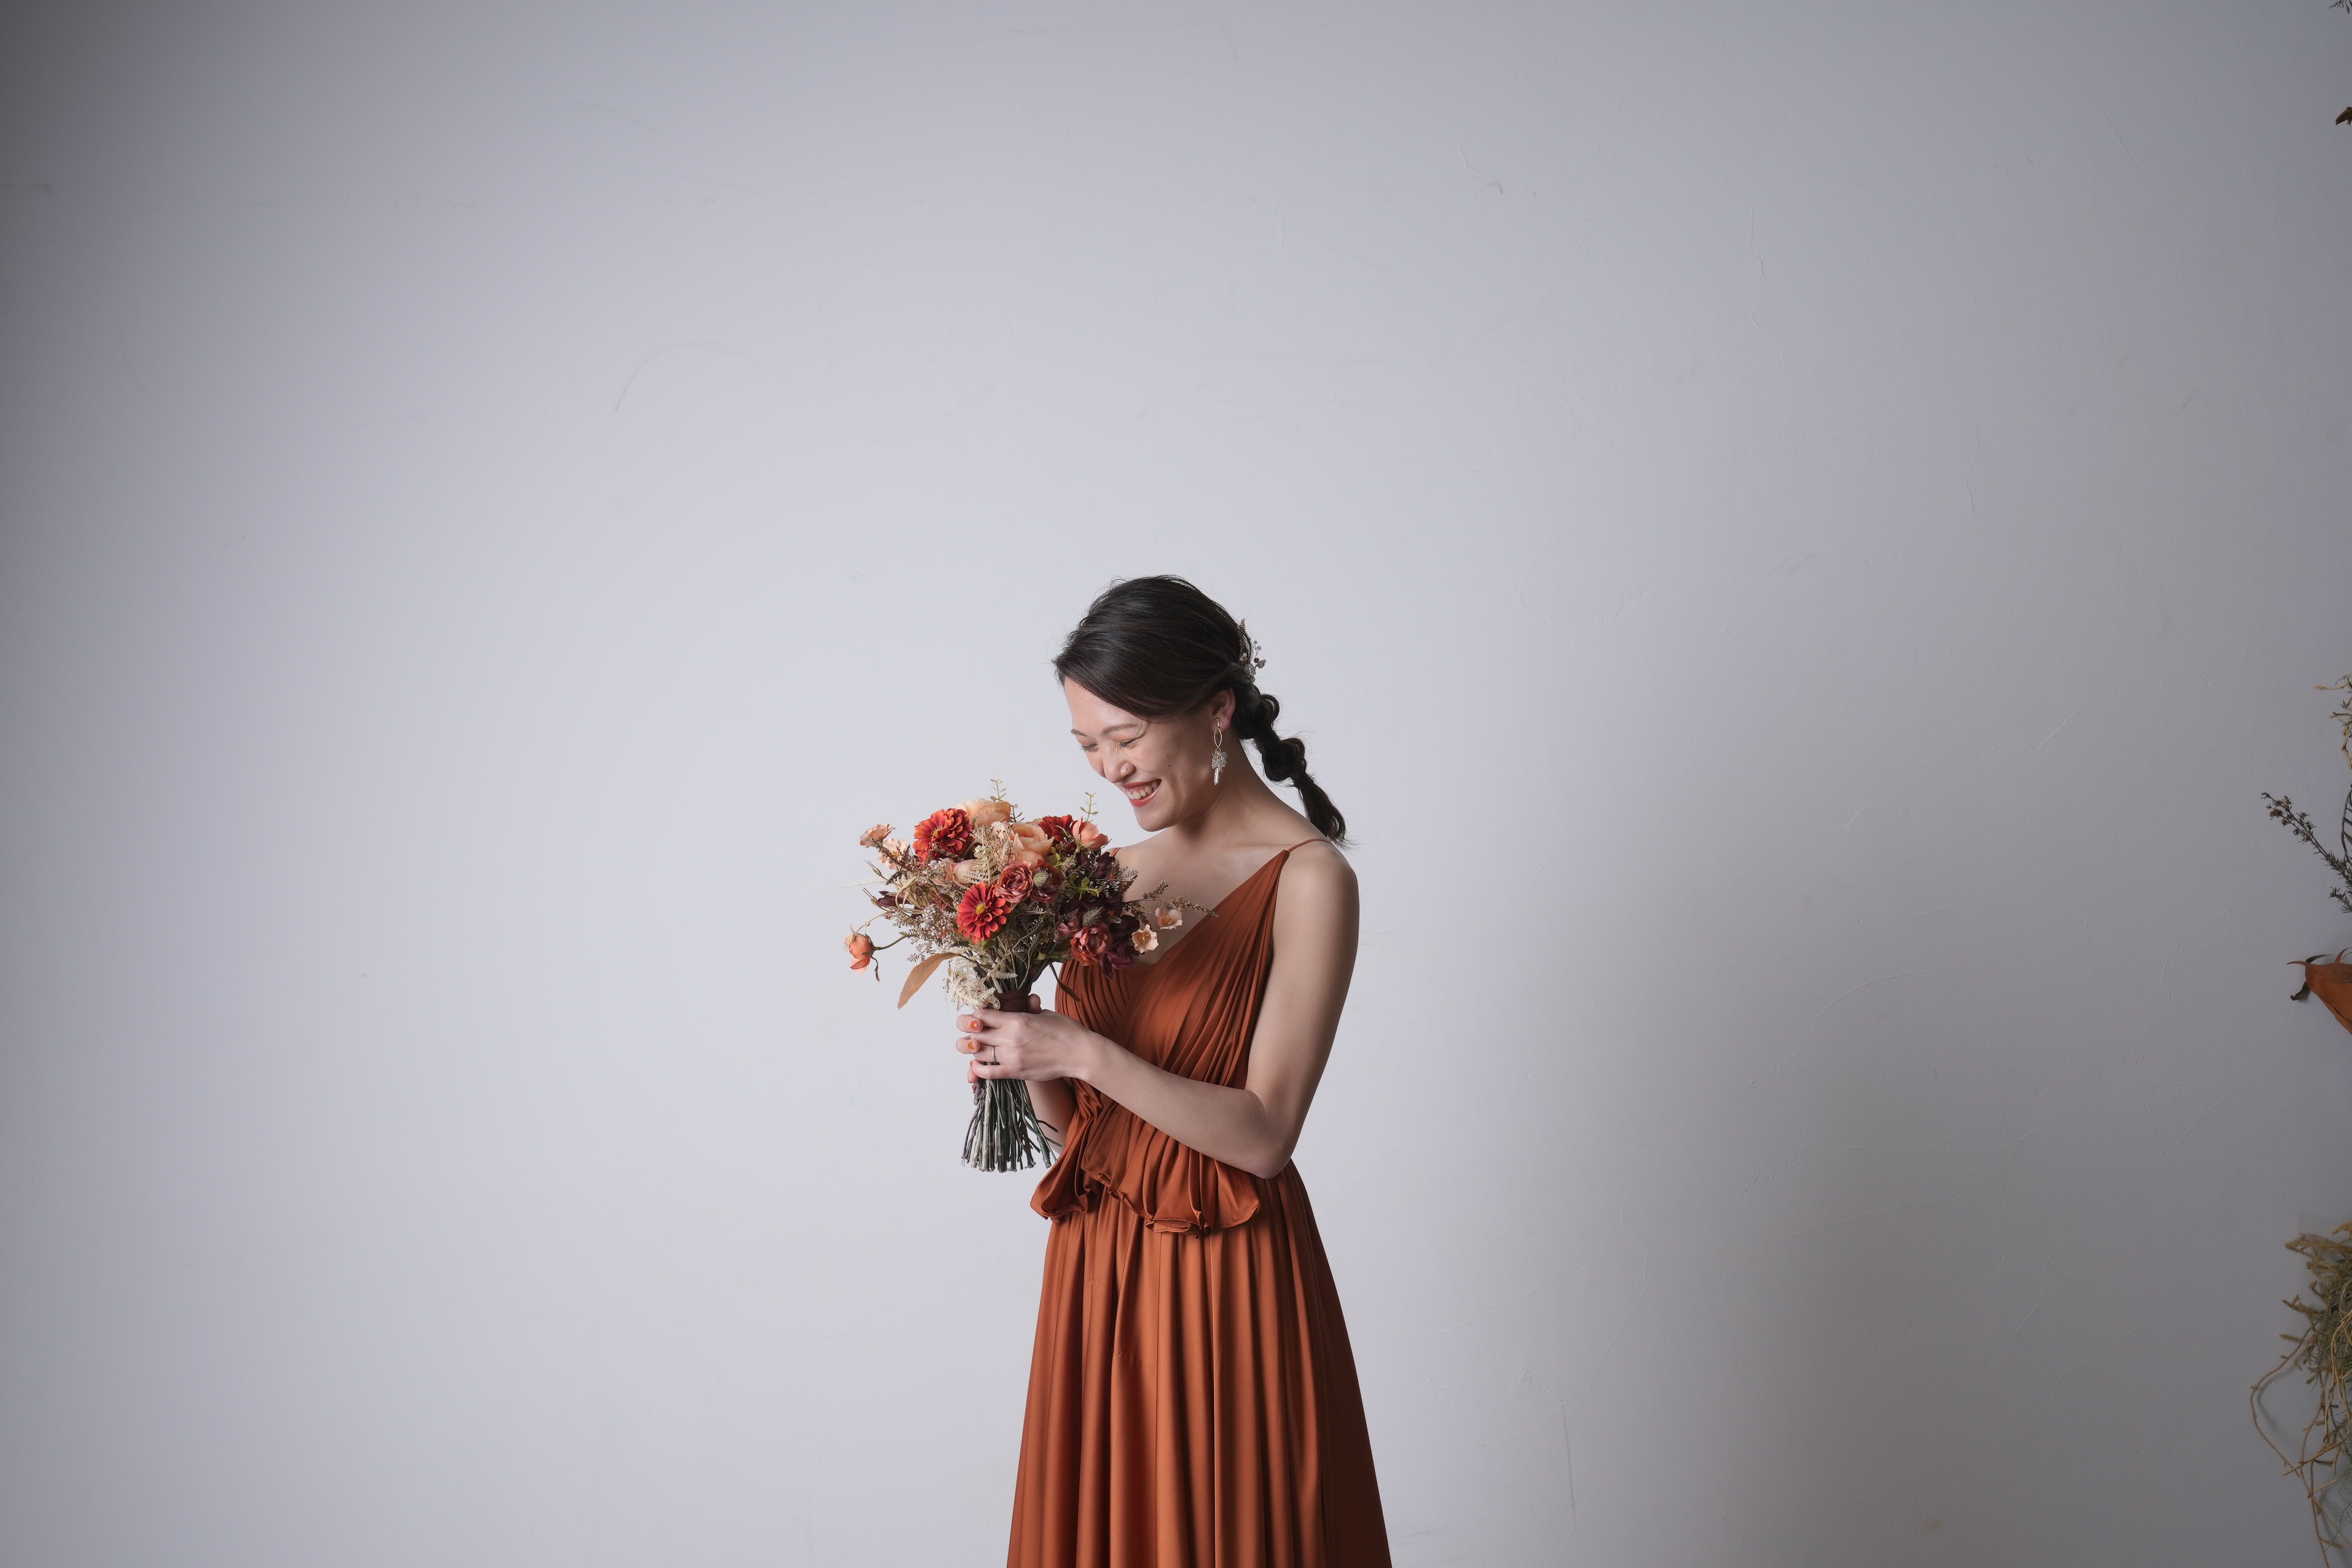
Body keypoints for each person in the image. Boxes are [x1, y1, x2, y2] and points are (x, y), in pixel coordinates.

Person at [955, 576, 1392, 1567]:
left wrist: (1081, 1050)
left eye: (1126, 736)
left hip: (1227, 1273)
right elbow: (1086, 1139)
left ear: (1217, 710)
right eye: (1088, 746)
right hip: (1096, 1270)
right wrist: (1020, 1051)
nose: (1111, 769)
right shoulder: (1106, 875)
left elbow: (1266, 1135)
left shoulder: (1310, 879)